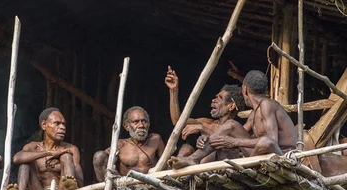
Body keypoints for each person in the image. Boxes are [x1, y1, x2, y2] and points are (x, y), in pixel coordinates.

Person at [168, 70, 296, 169]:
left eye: (220, 98)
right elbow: (231, 134)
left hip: (281, 157)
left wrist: (233, 142)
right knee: (231, 125)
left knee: (264, 142)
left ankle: (196, 160)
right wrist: (208, 137)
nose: (214, 99)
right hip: (259, 157)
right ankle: (193, 159)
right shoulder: (253, 114)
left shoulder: (267, 104)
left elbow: (271, 141)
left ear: (244, 89)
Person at [164, 66, 245, 157]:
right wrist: (173, 90)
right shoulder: (206, 122)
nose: (214, 100)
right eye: (216, 96)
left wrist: (202, 129)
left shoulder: (236, 128)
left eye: (220, 98)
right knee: (186, 147)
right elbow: (177, 121)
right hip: (200, 169)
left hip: (222, 168)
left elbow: (226, 146)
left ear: (231, 106)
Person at [11, 108, 84, 190]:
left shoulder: (71, 149)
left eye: (64, 124)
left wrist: (62, 164)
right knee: (25, 164)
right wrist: (50, 153)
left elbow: (80, 182)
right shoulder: (33, 147)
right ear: (44, 125)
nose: (62, 127)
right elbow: (16, 158)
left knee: (66, 156)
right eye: (57, 123)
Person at [93, 106, 165, 181]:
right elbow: (102, 162)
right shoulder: (120, 145)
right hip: (126, 187)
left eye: (144, 121)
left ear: (148, 124)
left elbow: (165, 164)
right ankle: (105, 189)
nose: (141, 125)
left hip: (151, 184)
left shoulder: (155, 140)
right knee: (99, 156)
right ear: (126, 126)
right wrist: (108, 155)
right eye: (136, 122)